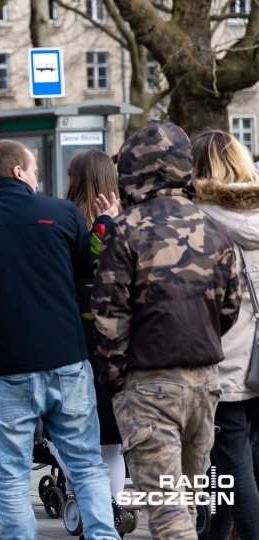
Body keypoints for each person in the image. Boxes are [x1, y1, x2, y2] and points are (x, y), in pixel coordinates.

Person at [0, 139, 120, 540]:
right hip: (67, 363)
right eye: (35, 169)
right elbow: (89, 273)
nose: (39, 175)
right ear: (19, 172)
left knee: (9, 475)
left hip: (6, 368)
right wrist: (105, 226)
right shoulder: (60, 214)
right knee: (88, 464)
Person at [92, 124, 241, 539]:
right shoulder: (214, 229)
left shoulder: (125, 230)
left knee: (168, 516)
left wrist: (117, 380)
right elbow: (230, 307)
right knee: (187, 507)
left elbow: (108, 317)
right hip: (205, 385)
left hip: (149, 386)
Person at [191, 130, 259, 540]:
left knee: (231, 466)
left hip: (224, 366)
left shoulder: (198, 222)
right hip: (256, 363)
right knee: (234, 466)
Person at [62, 149, 134, 533]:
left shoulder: (70, 219)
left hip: (84, 338)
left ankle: (90, 502)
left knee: (79, 429)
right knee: (110, 436)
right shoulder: (130, 217)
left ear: (79, 180)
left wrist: (104, 224)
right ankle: (109, 508)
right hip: (117, 340)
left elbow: (94, 266)